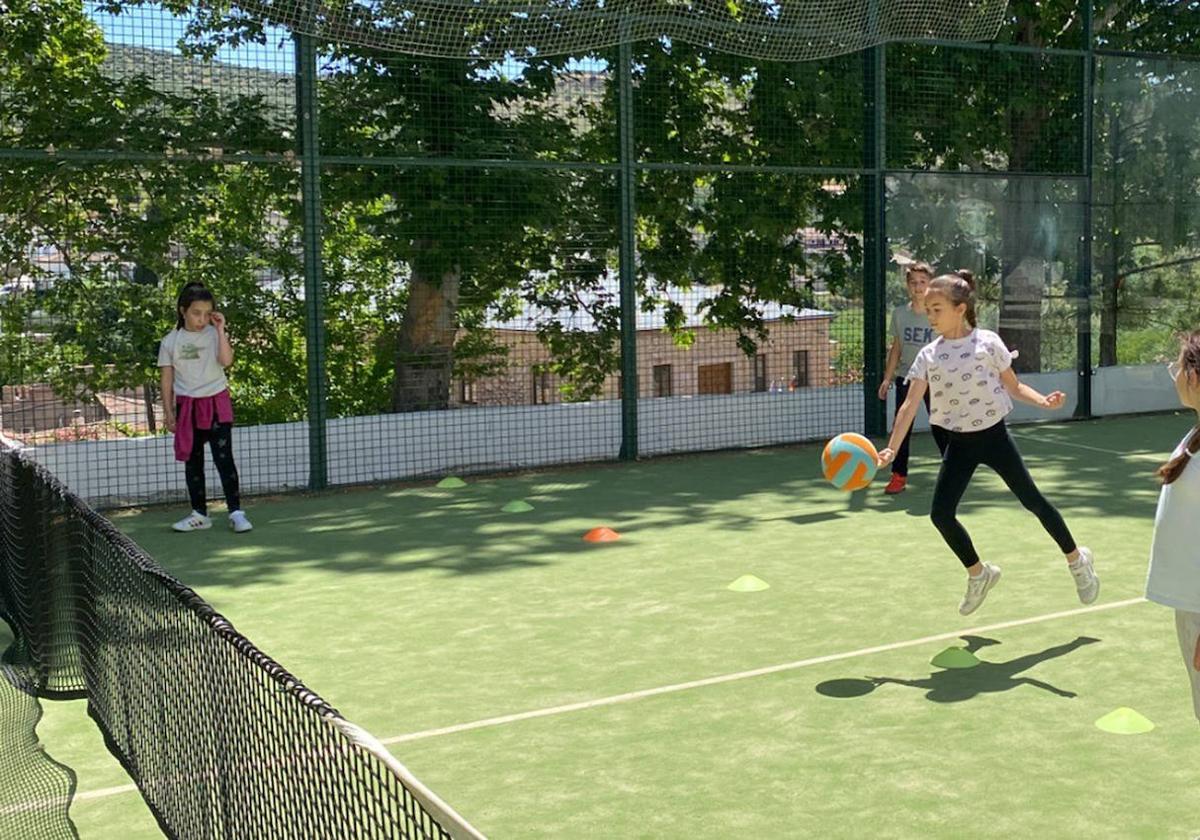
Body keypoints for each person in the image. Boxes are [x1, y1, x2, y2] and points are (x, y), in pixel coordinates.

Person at [876, 270, 1097, 615]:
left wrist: (1043, 401)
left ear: (959, 308)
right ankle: (979, 574)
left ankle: (1077, 560)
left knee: (1034, 501)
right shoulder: (928, 356)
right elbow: (907, 405)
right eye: (927, 309)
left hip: (995, 438)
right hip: (959, 444)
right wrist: (892, 448)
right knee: (941, 515)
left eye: (936, 309)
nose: (929, 315)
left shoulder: (988, 343)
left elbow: (1014, 386)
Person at [158, 282, 252, 533]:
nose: (201, 319)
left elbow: (226, 361)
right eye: (196, 313)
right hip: (187, 406)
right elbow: (166, 380)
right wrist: (168, 412)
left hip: (216, 403)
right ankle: (199, 514)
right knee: (193, 462)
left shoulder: (214, 334)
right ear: (182, 311)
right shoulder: (170, 341)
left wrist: (220, 330)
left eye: (206, 313)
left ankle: (236, 512)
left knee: (224, 459)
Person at [1145, 331, 1200, 724]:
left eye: (1178, 367)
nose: (1174, 374)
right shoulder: (1194, 435)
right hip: (1191, 605)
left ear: (1195, 376)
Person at [877, 261, 948, 494]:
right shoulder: (899, 314)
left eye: (922, 282)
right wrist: (887, 378)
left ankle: (953, 473)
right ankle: (898, 476)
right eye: (913, 283)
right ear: (907, 285)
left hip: (935, 380)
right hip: (907, 379)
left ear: (931, 284)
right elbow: (896, 349)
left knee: (941, 426)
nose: (918, 287)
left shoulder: (938, 313)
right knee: (902, 427)